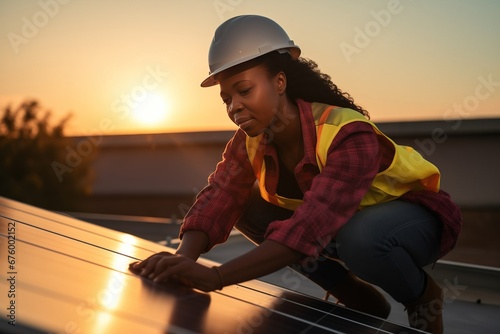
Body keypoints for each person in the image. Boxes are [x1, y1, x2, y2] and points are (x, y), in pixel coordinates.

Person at [129, 15, 462, 333]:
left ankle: (422, 296)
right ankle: (357, 295)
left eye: (244, 90)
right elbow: (220, 194)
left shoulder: (347, 133)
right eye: (226, 98)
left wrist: (216, 278)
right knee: (246, 205)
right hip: (342, 227)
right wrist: (180, 261)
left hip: (413, 222)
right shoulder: (248, 141)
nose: (234, 107)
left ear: (279, 81)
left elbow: (312, 225)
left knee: (362, 238)